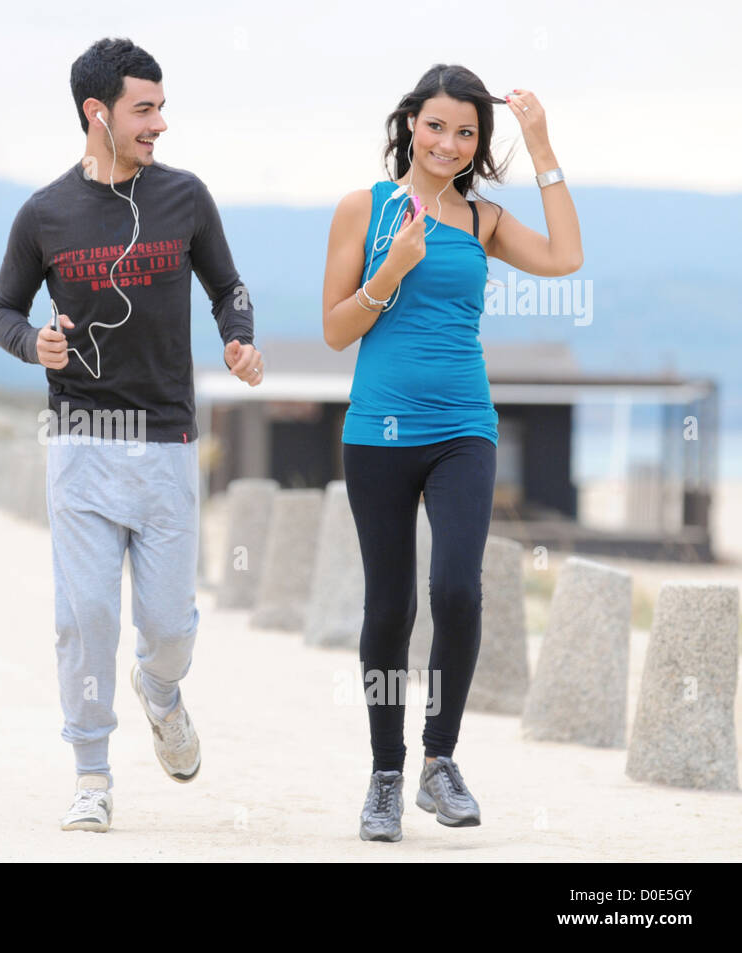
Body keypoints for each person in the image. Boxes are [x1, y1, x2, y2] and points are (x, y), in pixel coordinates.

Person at [0, 37, 263, 833]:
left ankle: (161, 690)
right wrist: (29, 340)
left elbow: (228, 287)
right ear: (96, 113)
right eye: (146, 110)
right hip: (79, 438)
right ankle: (91, 772)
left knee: (170, 626)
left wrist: (238, 338)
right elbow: (1, 310)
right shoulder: (44, 213)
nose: (161, 125)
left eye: (162, 108)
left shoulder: (185, 199)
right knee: (84, 617)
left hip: (168, 441)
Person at [320, 64, 582, 842]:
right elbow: (336, 330)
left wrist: (541, 146)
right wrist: (389, 272)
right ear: (411, 125)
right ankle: (385, 774)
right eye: (437, 126)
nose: (450, 143)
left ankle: (440, 760)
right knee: (389, 606)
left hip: (465, 424)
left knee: (458, 589)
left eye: (466, 132)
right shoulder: (361, 210)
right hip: (378, 432)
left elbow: (565, 258)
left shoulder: (485, 221)